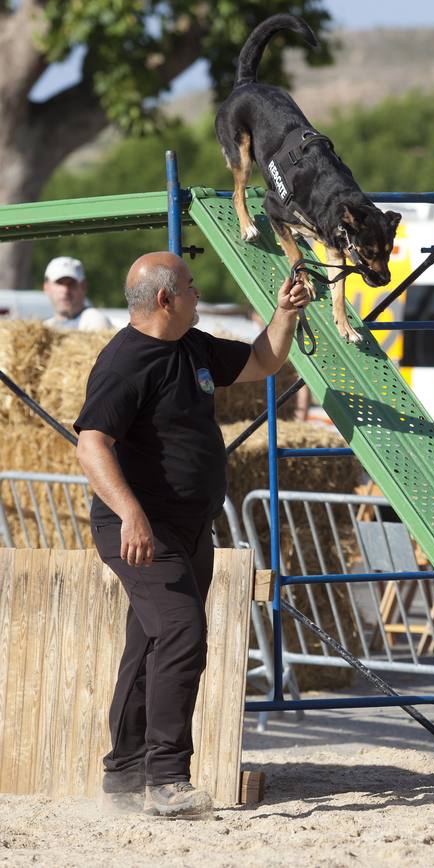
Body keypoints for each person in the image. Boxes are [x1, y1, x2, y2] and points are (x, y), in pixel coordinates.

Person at [74, 251, 309, 818]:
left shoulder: (193, 345)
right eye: (191, 287)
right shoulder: (125, 362)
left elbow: (262, 361)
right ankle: (167, 778)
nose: (198, 294)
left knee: (150, 641)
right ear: (164, 299)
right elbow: (92, 443)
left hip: (187, 527)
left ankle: (125, 773)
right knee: (181, 633)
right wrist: (132, 514)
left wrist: (284, 313)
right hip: (139, 530)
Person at [43, 256, 112, 330]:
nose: (65, 290)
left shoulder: (94, 321)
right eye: (59, 283)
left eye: (71, 284)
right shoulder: (46, 327)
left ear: (84, 287)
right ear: (46, 287)